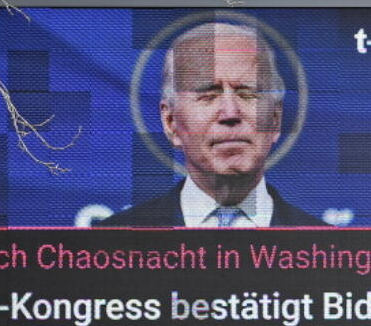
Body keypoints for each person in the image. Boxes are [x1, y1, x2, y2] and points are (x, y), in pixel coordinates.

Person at [100, 22, 324, 227]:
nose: (230, 113)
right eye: (208, 95)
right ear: (171, 122)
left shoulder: (327, 248)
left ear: (275, 120)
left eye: (247, 94)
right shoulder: (112, 241)